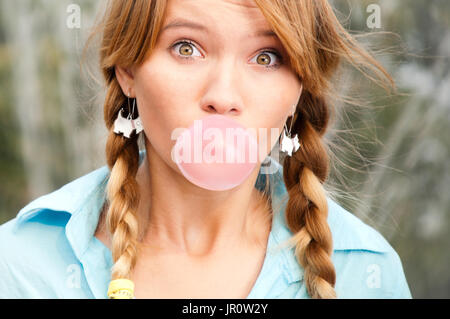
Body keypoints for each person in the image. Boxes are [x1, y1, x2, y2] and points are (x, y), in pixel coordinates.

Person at [0, 0, 412, 299]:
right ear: (127, 70)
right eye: (186, 48)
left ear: (297, 93)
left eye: (266, 57)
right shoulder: (19, 267)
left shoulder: (367, 271)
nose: (223, 96)